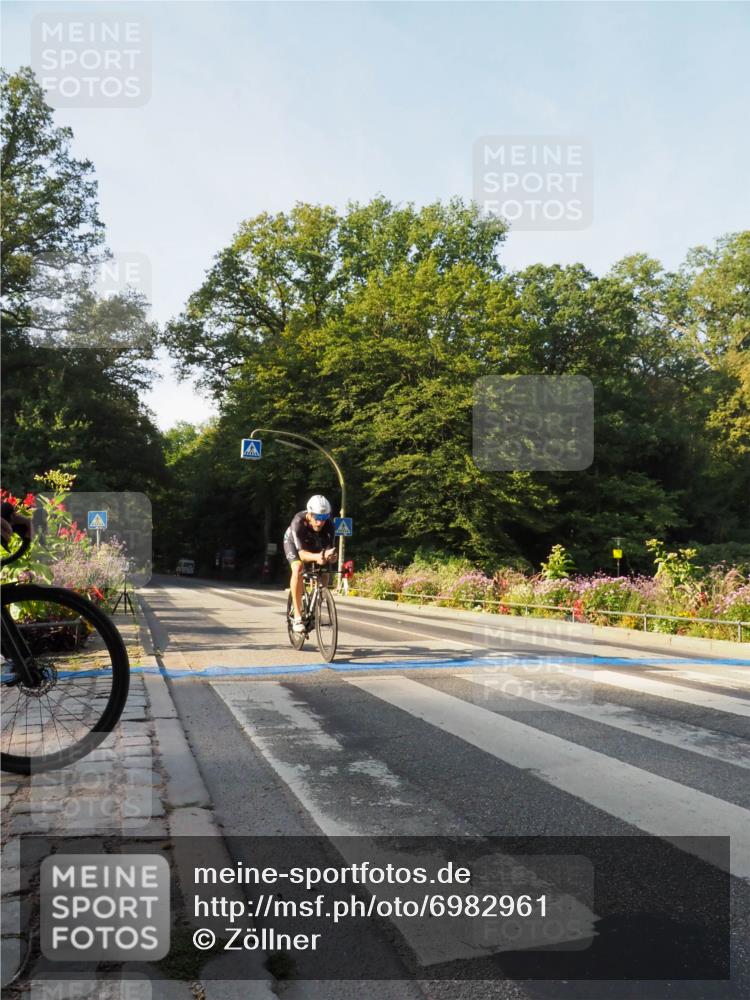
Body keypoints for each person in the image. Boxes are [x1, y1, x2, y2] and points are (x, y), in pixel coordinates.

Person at [284, 495, 337, 633]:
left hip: (313, 543)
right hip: (293, 543)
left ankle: (316, 604)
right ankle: (297, 616)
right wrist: (318, 556)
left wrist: (331, 557)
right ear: (309, 513)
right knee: (298, 567)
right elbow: (302, 554)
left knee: (325, 570)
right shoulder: (298, 522)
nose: (320, 522)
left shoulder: (329, 525)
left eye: (324, 518)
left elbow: (329, 550)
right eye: (317, 518)